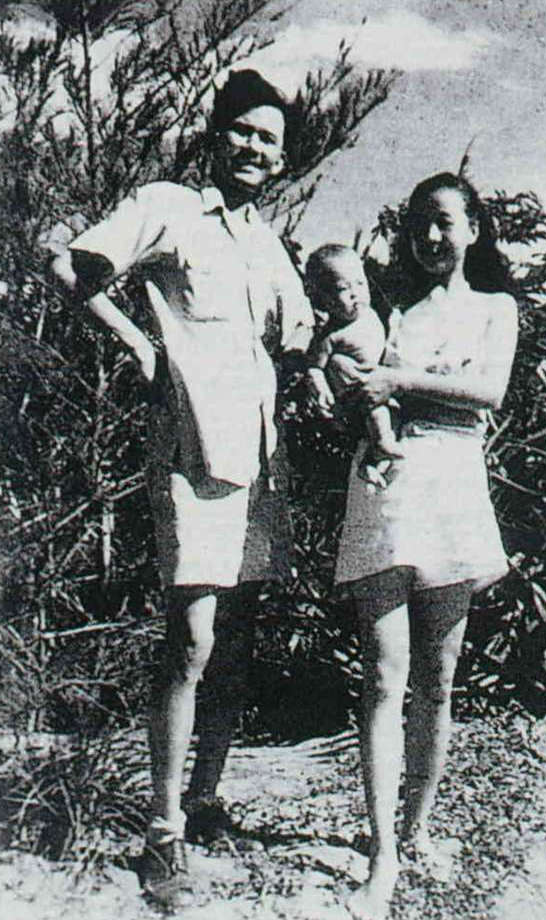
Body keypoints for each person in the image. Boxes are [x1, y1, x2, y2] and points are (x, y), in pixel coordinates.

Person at [50, 69, 313, 909]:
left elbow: (298, 334)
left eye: (269, 139)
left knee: (235, 638)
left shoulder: (265, 241)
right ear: (215, 134)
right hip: (193, 451)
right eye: (243, 131)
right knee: (192, 638)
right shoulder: (170, 206)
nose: (254, 148)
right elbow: (70, 265)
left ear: (281, 158)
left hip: (259, 455)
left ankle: (203, 802)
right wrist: (138, 344)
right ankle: (161, 832)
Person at [332, 171, 518, 920]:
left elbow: (490, 391)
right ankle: (381, 854)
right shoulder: (386, 311)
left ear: (473, 228)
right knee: (384, 678)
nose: (431, 237)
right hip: (387, 484)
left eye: (444, 221)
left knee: (437, 682)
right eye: (418, 224)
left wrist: (400, 378)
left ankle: (417, 830)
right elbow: (352, 380)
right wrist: (352, 385)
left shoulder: (495, 308)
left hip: (454, 485)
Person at [304, 244, 402, 479]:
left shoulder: (372, 314)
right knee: (377, 415)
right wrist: (321, 389)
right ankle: (381, 446)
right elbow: (314, 367)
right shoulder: (331, 335)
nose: (355, 293)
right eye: (342, 288)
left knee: (392, 415)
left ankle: (371, 463)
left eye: (360, 283)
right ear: (324, 299)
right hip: (359, 392)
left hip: (382, 380)